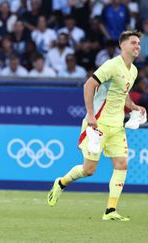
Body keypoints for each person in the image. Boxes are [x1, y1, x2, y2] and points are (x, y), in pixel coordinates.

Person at [47, 30, 147, 221]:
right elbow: (88, 85)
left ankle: (110, 210)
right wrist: (91, 115)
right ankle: (61, 182)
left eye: (139, 44)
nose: (137, 47)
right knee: (89, 170)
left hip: (117, 126)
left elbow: (122, 93)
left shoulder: (133, 71)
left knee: (122, 164)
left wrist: (134, 106)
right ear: (122, 45)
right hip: (98, 124)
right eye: (134, 43)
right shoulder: (111, 65)